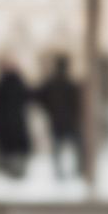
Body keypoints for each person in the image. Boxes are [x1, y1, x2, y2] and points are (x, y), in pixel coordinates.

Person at [0, 58, 34, 179]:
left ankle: (10, 174)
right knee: (15, 157)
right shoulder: (18, 85)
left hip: (4, 130)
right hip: (15, 129)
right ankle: (15, 175)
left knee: (7, 157)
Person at [37, 54, 85, 182]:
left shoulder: (55, 84)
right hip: (68, 122)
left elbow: (41, 98)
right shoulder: (70, 84)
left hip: (59, 121)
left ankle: (63, 173)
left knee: (59, 149)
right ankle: (74, 172)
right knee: (73, 148)